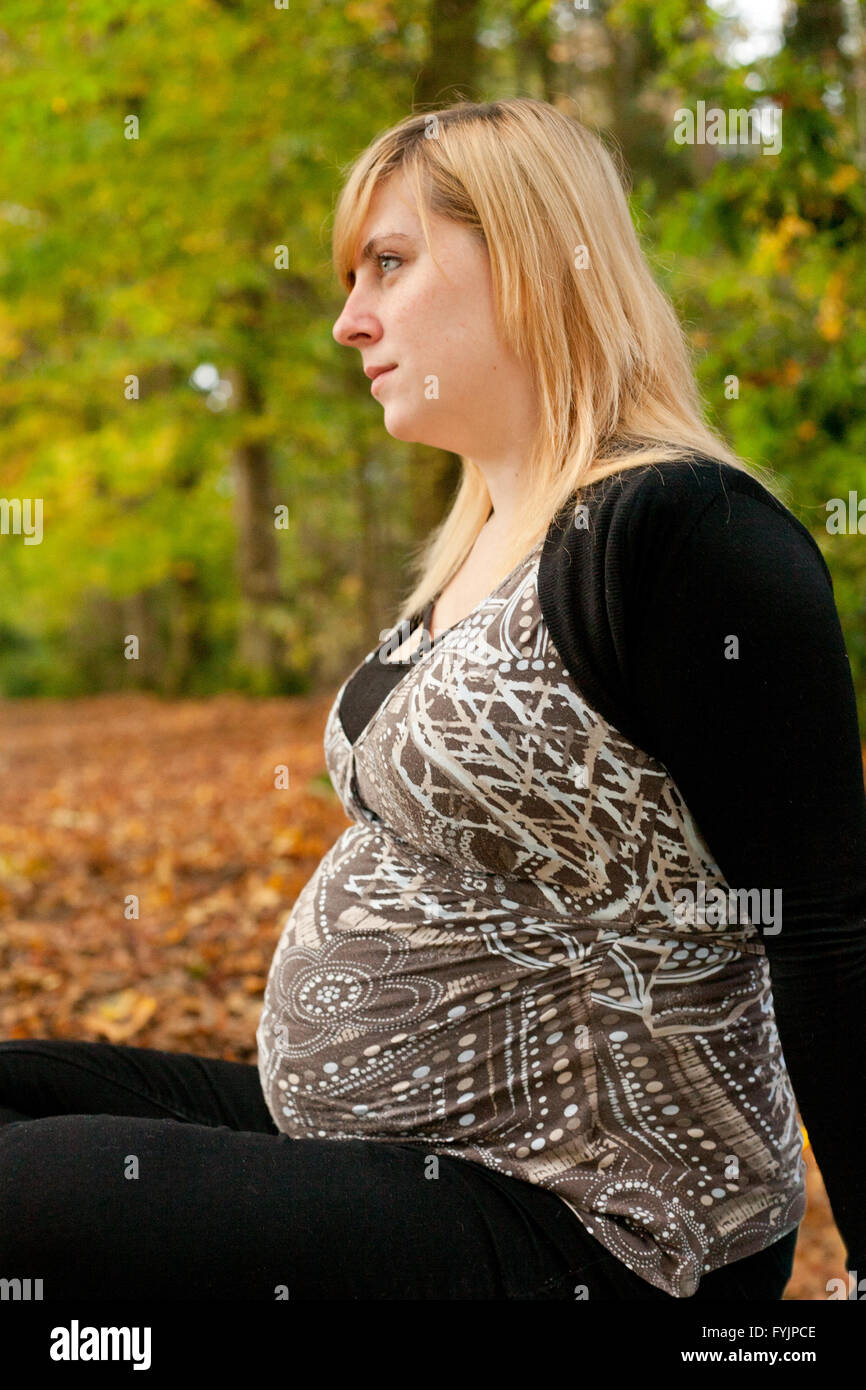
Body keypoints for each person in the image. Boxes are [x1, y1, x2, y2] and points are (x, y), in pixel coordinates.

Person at [1, 98, 863, 1301]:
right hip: (410, 1147)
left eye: (389, 265)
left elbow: (824, 929)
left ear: (525, 255)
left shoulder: (674, 533)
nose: (350, 321)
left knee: (23, 1198)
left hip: (599, 1217)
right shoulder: (480, 536)